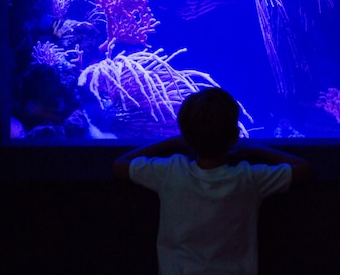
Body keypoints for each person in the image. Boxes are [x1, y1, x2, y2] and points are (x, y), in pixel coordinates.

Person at [112, 86, 312, 275]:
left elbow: (120, 164)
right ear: (235, 136)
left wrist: (174, 141)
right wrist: (252, 148)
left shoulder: (169, 173)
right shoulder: (248, 178)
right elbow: (303, 169)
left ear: (185, 136)